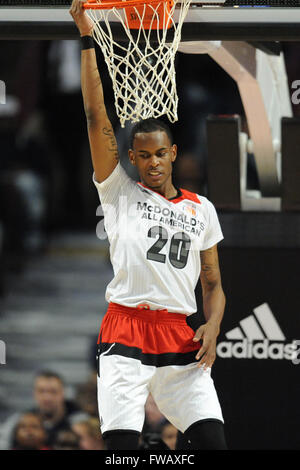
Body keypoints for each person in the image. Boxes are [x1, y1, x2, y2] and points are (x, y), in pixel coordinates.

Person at [70, 0, 227, 451]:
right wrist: (86, 38)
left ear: (172, 154)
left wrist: (213, 324)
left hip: (180, 335)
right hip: (126, 330)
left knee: (214, 445)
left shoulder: (203, 209)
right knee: (122, 452)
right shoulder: (118, 191)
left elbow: (213, 283)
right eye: (143, 155)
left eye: (161, 153)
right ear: (132, 158)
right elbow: (96, 116)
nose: (153, 162)